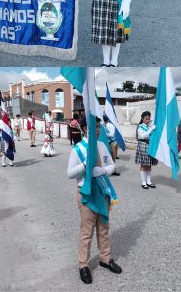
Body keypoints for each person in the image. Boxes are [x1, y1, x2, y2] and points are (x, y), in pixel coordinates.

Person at [66, 120, 120, 285]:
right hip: (87, 194)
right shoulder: (78, 149)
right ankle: (83, 265)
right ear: (84, 129)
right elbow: (69, 173)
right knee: (86, 232)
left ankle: (105, 258)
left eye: (98, 127)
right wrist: (84, 165)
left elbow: (111, 165)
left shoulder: (102, 146)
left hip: (102, 191)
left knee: (104, 227)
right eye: (94, 127)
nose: (97, 130)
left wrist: (103, 170)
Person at [135, 111, 157, 189]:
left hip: (149, 145)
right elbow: (143, 136)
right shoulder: (140, 126)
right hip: (143, 145)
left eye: (149, 119)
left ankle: (149, 181)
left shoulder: (148, 126)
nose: (148, 120)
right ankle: (143, 182)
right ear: (142, 118)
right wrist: (151, 130)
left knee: (149, 164)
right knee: (143, 164)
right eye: (146, 119)